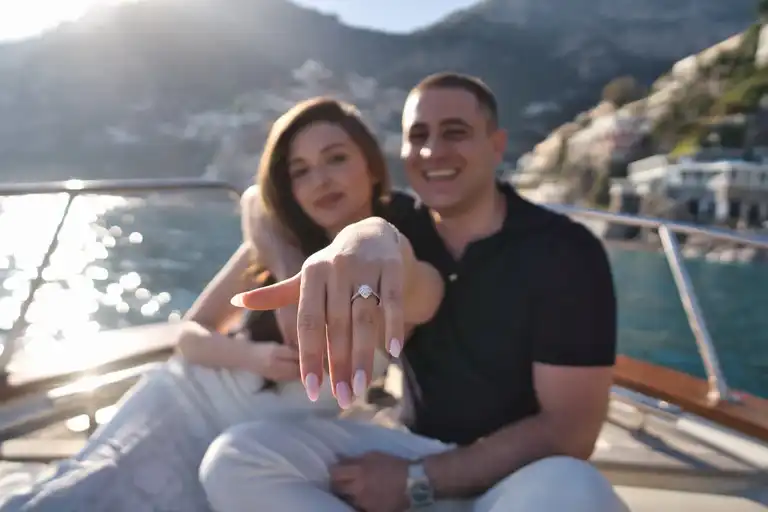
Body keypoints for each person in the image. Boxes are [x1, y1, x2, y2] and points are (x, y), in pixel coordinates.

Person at [201, 73, 630, 511]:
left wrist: (416, 480)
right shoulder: (401, 221)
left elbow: (570, 430)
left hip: (518, 471)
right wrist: (349, 246)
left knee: (577, 488)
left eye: (455, 133)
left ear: (496, 145)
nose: (433, 151)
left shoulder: (564, 251)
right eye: (418, 136)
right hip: (414, 445)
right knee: (238, 457)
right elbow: (268, 204)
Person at [0, 97, 443, 512]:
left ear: (371, 164)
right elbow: (190, 337)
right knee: (68, 493)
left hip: (245, 445)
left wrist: (372, 239)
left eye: (336, 158)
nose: (320, 179)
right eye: (300, 171)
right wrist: (255, 355)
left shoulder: (388, 257)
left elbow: (418, 293)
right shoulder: (280, 242)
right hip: (179, 398)